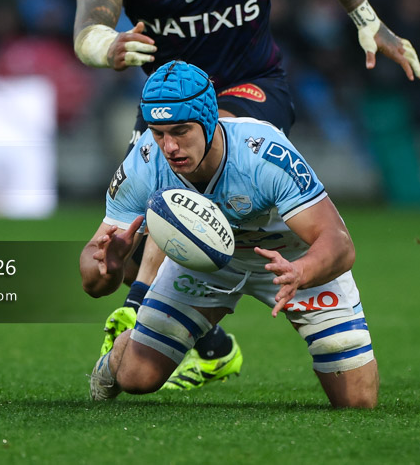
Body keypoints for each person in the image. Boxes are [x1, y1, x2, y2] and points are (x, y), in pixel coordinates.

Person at [54, 0, 420, 390]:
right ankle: (212, 344)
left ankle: (138, 313)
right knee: (135, 243)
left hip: (251, 86)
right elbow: (87, 30)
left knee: (190, 177)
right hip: (171, 104)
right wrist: (110, 46)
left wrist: (367, 19)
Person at [80, 61, 378, 408]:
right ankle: (120, 354)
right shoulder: (143, 163)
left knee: (357, 402)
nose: (169, 146)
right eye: (158, 132)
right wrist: (108, 268)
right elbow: (92, 277)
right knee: (137, 378)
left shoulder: (263, 154)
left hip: (291, 261)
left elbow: (339, 243)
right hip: (203, 265)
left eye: (180, 131)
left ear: (209, 121)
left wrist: (302, 271)